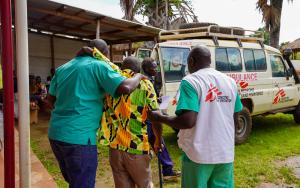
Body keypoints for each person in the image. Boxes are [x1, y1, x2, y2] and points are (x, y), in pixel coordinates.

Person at [46, 39, 145, 188]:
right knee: (82, 183)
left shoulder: (63, 68)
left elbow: (50, 100)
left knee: (74, 180)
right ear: (104, 54)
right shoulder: (98, 66)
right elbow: (125, 87)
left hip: (56, 134)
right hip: (79, 138)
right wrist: (138, 76)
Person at [148, 46, 243, 188]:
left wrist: (160, 118)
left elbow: (188, 121)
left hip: (198, 154)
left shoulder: (191, 81)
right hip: (225, 154)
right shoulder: (230, 82)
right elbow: (235, 120)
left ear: (191, 61)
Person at [100, 56, 162, 188]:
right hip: (136, 147)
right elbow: (155, 116)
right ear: (138, 69)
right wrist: (157, 139)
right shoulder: (145, 84)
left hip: (115, 147)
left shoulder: (111, 83)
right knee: (145, 185)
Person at [142, 57, 181, 181]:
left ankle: (167, 170)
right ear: (147, 69)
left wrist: (158, 100)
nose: (156, 69)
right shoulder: (144, 81)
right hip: (148, 119)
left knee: (157, 142)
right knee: (158, 141)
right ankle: (167, 171)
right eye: (154, 67)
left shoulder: (149, 79)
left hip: (147, 117)